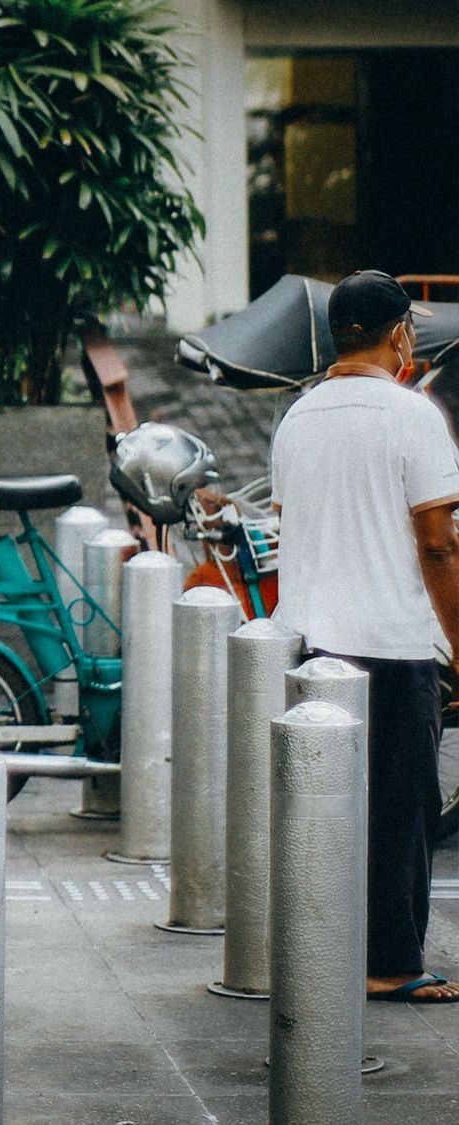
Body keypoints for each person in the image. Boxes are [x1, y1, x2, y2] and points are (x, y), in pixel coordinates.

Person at [271, 268, 459, 1004]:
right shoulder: (413, 416)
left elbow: (295, 518)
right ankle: (390, 961)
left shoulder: (298, 418)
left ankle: (323, 949)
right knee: (401, 808)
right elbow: (438, 542)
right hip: (392, 642)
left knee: (323, 810)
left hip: (310, 644)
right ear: (401, 334)